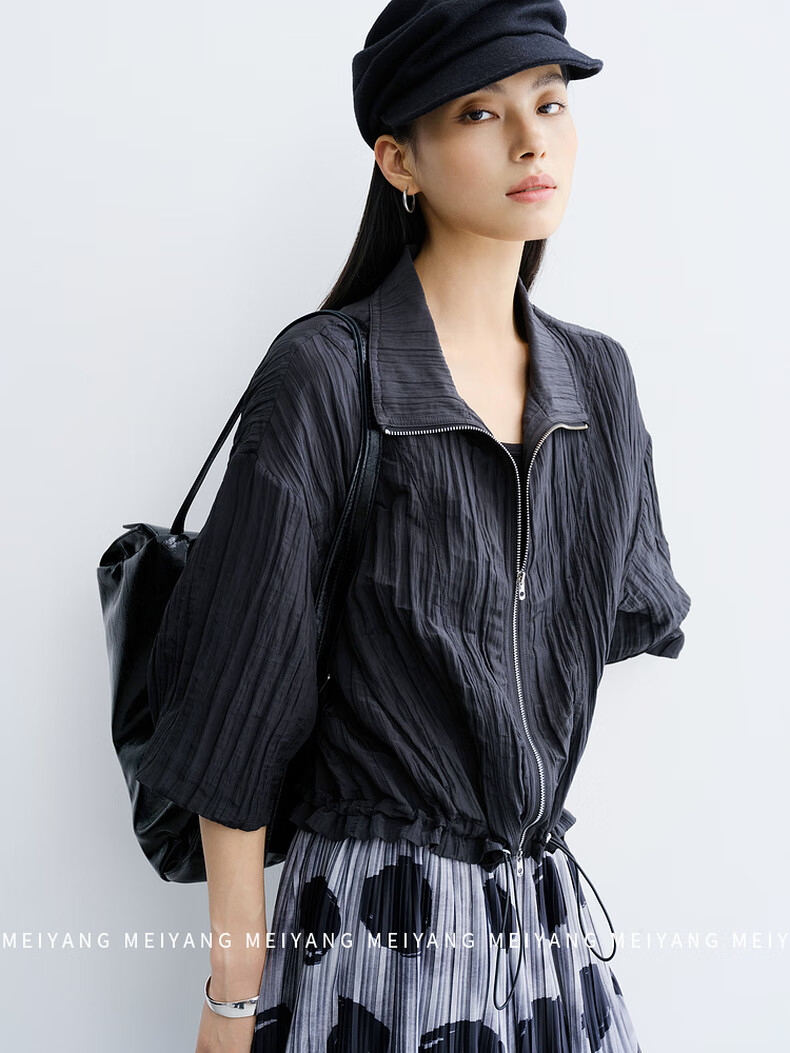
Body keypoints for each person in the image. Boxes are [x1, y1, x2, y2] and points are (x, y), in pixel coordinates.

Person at [135, 2, 691, 1050]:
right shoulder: (326, 373)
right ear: (399, 160)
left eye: (550, 103)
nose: (531, 140)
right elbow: (237, 713)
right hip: (372, 934)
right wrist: (232, 996)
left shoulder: (599, 384)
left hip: (544, 931)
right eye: (480, 112)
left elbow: (614, 616)